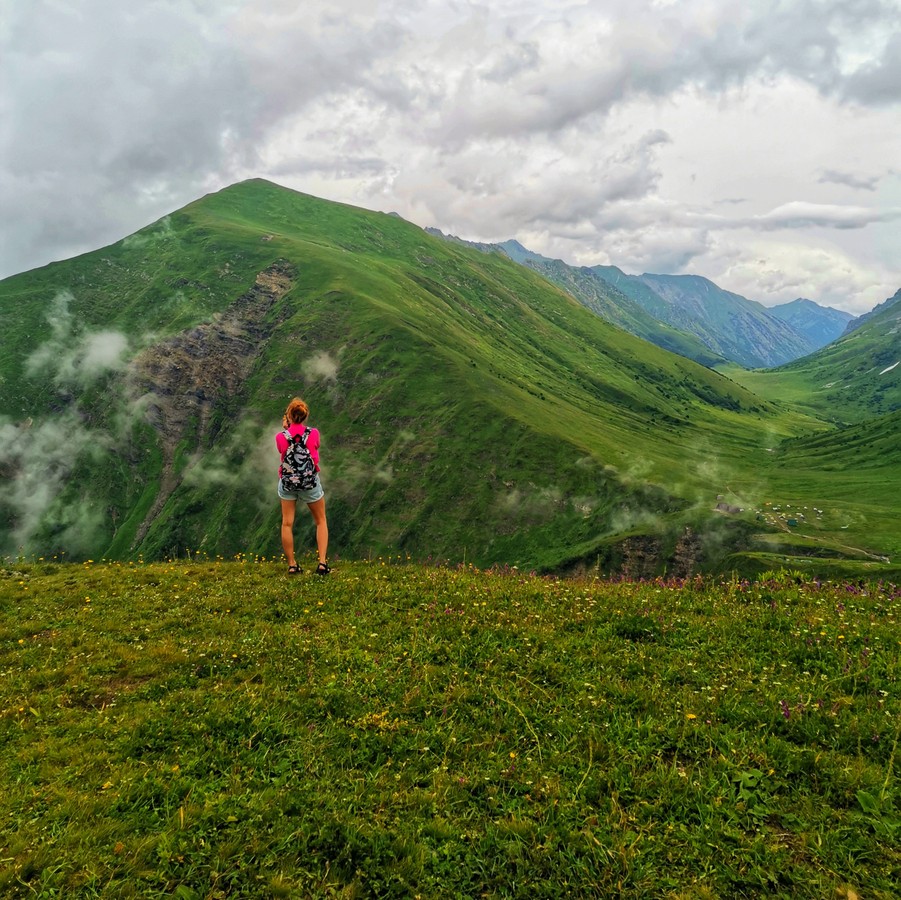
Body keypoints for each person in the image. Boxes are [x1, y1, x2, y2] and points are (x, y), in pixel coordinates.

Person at [276, 397, 330, 575]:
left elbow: (283, 450)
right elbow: (315, 447)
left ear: (289, 416)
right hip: (310, 483)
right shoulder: (314, 433)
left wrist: (287, 430)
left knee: (287, 523)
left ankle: (292, 565)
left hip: (288, 483)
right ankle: (322, 563)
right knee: (320, 521)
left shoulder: (280, 437)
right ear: (305, 415)